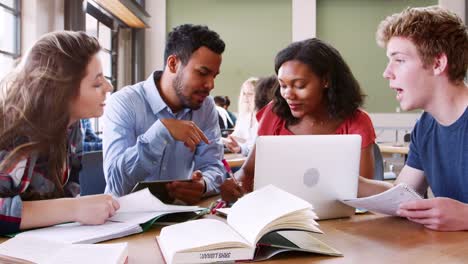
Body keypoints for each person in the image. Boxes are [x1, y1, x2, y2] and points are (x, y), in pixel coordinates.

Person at [221, 38, 376, 202]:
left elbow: (361, 196)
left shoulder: (357, 121)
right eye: (283, 85)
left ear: (326, 80)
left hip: (337, 221)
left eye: (299, 85)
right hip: (278, 214)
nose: (288, 94)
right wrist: (236, 183)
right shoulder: (274, 114)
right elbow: (248, 172)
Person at [359, 6, 468, 231]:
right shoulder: (426, 125)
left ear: (438, 63)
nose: (387, 72)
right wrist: (350, 184)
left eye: (399, 60)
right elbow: (402, 193)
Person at [0, 31, 117, 235]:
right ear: (61, 92)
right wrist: (74, 209)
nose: (109, 87)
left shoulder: (73, 129)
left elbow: (67, 194)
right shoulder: (19, 132)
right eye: (97, 83)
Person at [103, 24, 226, 204]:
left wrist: (203, 185)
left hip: (181, 218)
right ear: (173, 64)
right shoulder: (124, 103)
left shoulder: (206, 108)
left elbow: (214, 166)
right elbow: (117, 186)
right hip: (127, 220)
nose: (210, 85)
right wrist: (160, 132)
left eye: (214, 76)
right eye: (203, 73)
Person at [224, 77, 259, 156]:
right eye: (244, 93)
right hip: (244, 156)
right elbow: (239, 138)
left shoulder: (264, 118)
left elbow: (254, 148)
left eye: (250, 94)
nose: (245, 97)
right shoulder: (245, 117)